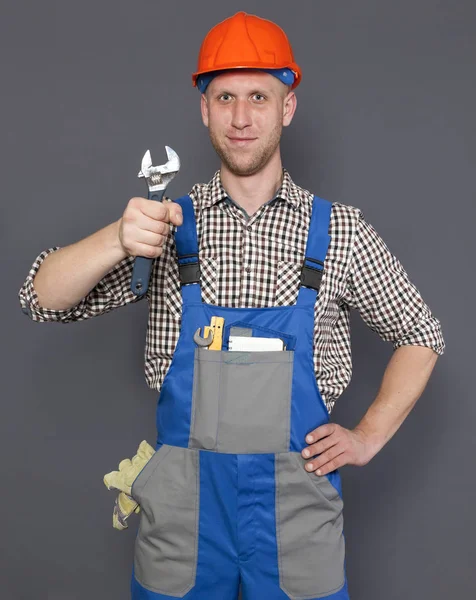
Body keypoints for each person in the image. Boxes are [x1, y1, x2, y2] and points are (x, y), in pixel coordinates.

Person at [18, 11, 445, 600]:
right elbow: (40, 298)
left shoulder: (339, 231)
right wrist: (118, 237)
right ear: (204, 109)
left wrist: (368, 434)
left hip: (300, 515)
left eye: (258, 97)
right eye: (225, 97)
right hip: (182, 515)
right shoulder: (161, 226)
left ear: (287, 107)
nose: (241, 117)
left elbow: (421, 331)